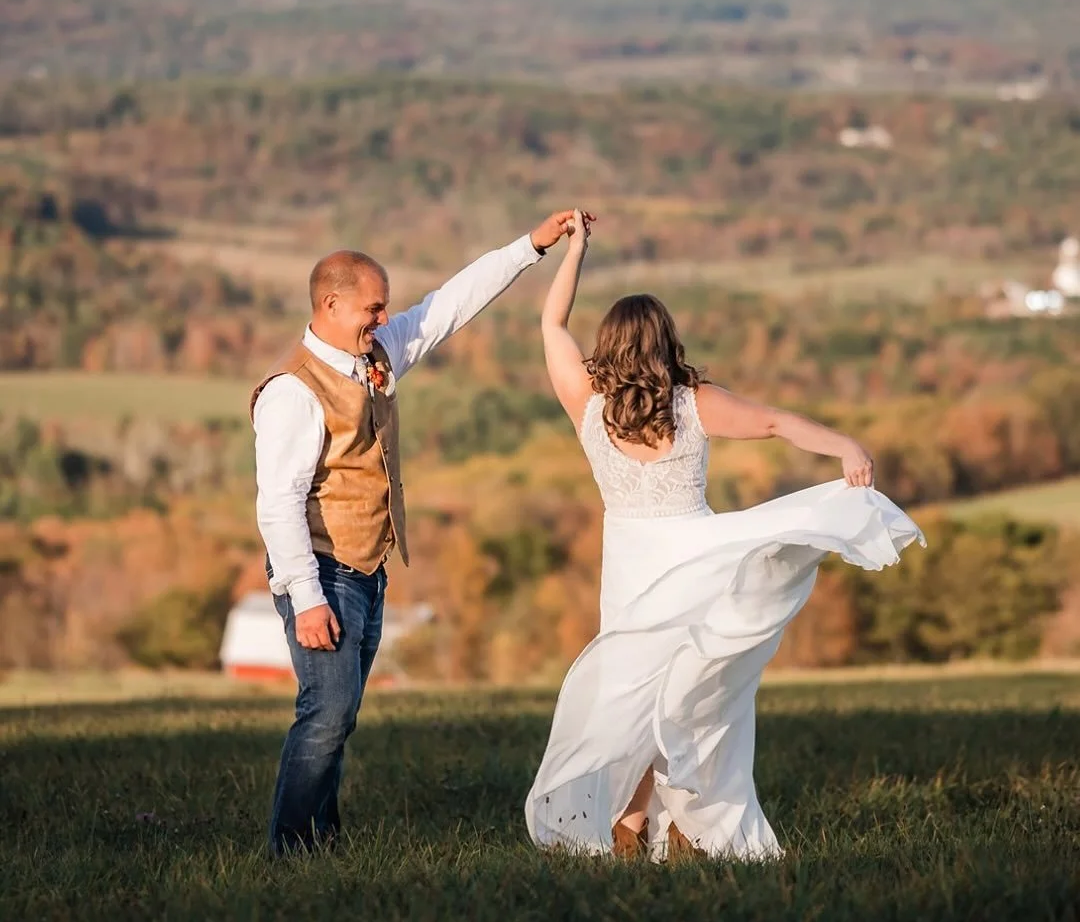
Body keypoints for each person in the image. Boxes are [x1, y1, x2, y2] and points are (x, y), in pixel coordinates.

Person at [525, 211, 924, 861]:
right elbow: (774, 424)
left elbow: (550, 325)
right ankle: (688, 822)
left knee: (632, 696)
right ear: (665, 343)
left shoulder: (586, 403)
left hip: (628, 568)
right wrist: (844, 445)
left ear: (612, 345)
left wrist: (576, 250)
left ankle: (630, 824)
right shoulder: (693, 402)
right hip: (698, 559)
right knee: (700, 693)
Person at [252, 209, 581, 856]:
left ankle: (324, 840)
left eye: (385, 309)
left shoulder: (374, 354)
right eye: (371, 309)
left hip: (366, 570)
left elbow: (450, 305)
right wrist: (308, 597)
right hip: (320, 571)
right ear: (331, 303)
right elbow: (277, 505)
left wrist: (531, 246)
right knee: (327, 712)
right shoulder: (292, 393)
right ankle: (287, 850)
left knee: (338, 717)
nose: (382, 319)